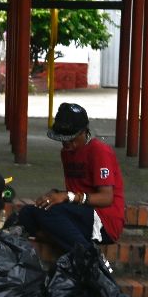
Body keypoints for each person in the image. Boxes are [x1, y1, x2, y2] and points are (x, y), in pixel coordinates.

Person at [17, 102, 125, 252]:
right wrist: (55, 194)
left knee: (51, 212)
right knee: (27, 213)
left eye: (71, 139)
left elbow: (106, 198)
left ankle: (87, 255)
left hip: (103, 222)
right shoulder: (66, 152)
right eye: (63, 139)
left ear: (83, 132)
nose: (67, 144)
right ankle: (58, 239)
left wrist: (67, 196)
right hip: (79, 214)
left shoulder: (99, 151)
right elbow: (75, 192)